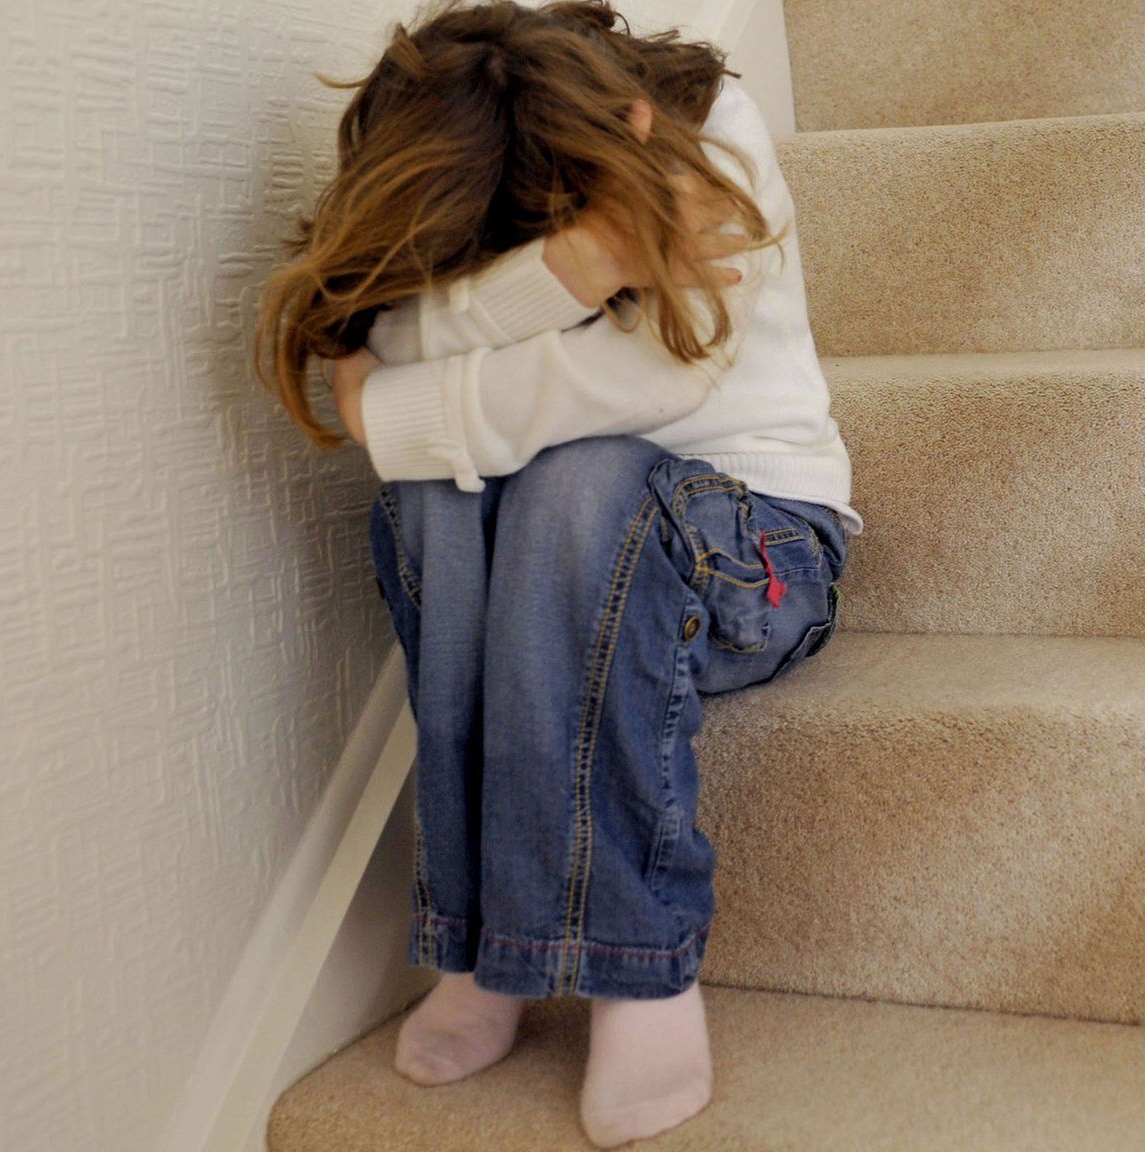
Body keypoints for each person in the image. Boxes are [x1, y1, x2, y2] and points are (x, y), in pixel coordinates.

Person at [252, 2, 859, 1145]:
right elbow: (375, 333)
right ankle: (492, 948)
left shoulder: (704, 141)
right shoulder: (464, 137)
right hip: (551, 569)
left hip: (754, 552)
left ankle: (637, 967)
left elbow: (651, 383)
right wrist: (575, 266)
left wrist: (389, 411)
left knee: (578, 476)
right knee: (437, 494)